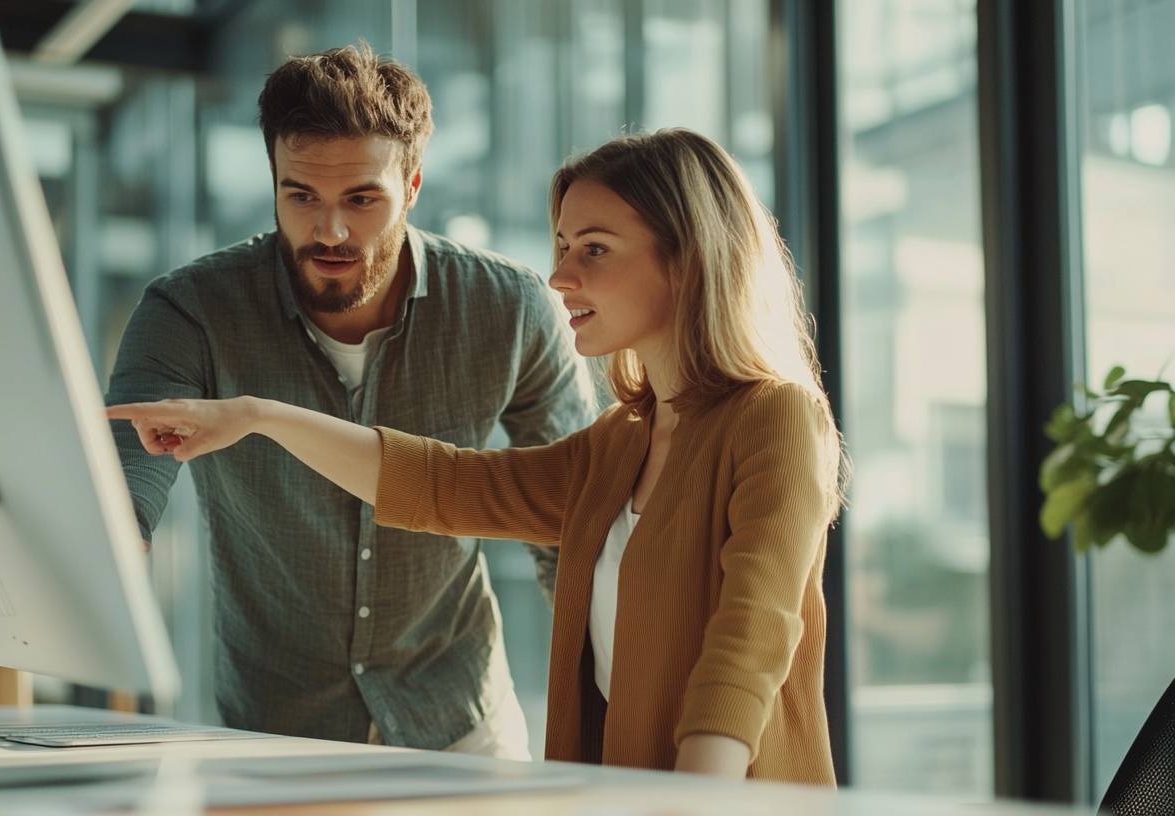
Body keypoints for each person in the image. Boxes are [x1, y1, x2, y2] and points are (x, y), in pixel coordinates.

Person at [109, 129, 845, 784]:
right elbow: (443, 483)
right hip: (625, 797)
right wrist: (258, 417)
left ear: (687, 259)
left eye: (594, 249)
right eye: (562, 248)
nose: (560, 278)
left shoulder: (775, 415)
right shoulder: (621, 440)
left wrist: (691, 803)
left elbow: (750, 639)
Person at [103, 44, 594, 760]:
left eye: (361, 200)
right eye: (301, 196)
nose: (328, 232)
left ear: (415, 185)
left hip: (460, 720)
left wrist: (611, 702)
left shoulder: (509, 309)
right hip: (271, 730)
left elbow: (571, 520)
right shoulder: (191, 311)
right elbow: (121, 486)